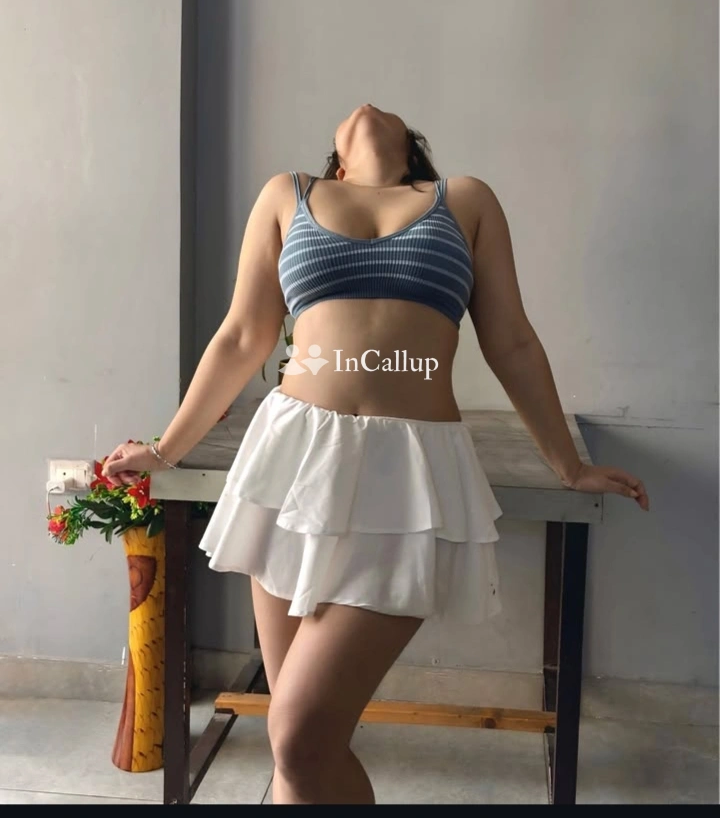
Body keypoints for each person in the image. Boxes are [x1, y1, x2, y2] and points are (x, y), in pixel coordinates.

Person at [102, 104, 650, 804]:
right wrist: (165, 448)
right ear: (335, 161)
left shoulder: (466, 200)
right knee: (299, 751)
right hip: (292, 466)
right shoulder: (288, 194)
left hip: (406, 476)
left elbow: (511, 340)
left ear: (413, 150)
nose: (363, 107)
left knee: (299, 737)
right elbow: (242, 335)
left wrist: (568, 466)